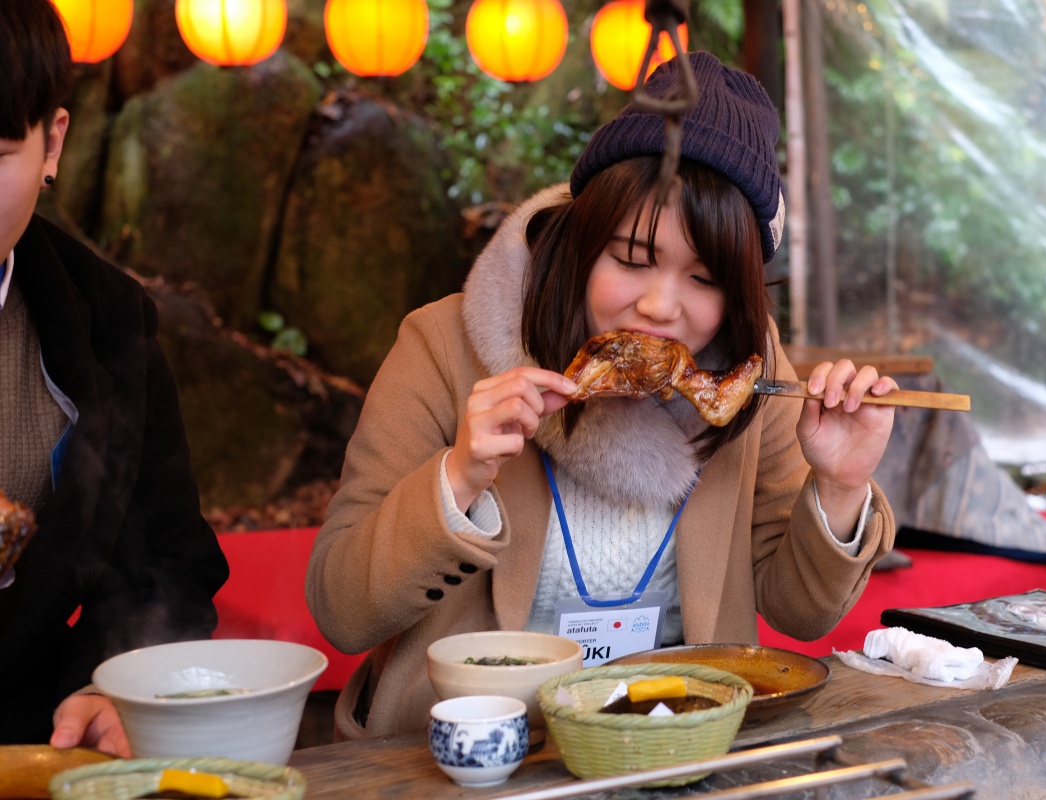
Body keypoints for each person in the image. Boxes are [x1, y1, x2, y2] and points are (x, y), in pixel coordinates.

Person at [307, 51, 899, 739]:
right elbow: (340, 611)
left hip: (682, 742)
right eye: (631, 258)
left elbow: (797, 613)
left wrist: (841, 486)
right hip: (477, 760)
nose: (659, 306)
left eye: (703, 278)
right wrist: (459, 475)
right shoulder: (444, 346)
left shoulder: (747, 372)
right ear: (582, 242)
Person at [0, 0, 229, 753]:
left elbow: (163, 563)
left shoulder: (105, 319)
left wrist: (110, 684)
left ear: (51, 143)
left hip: (34, 745)